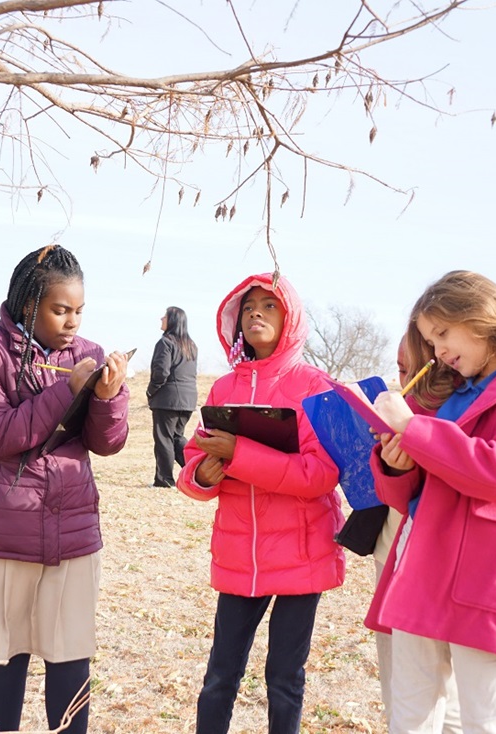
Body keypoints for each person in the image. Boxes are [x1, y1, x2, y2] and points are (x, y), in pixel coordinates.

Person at [367, 270, 496, 734]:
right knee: (410, 715)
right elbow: (414, 493)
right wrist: (398, 463)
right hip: (421, 560)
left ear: (481, 317)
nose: (437, 351)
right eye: (428, 340)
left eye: (442, 333)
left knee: (487, 719)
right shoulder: (448, 391)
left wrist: (414, 429)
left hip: (489, 571)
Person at [0, 244, 130, 734]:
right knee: (5, 658)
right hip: (4, 530)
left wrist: (109, 398)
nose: (72, 322)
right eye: (60, 309)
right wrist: (65, 391)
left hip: (72, 530)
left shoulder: (87, 355)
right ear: (29, 304)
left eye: (79, 311)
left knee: (71, 657)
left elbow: (106, 444)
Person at [177, 272, 343, 734]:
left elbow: (320, 475)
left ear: (290, 319)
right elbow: (190, 470)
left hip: (300, 555)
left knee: (284, 679)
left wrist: (239, 455)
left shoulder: (315, 386)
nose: (256, 313)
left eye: (270, 305)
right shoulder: (223, 390)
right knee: (219, 677)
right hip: (239, 557)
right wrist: (203, 474)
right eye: (248, 306)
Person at [371, 338, 461, 733]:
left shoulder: (463, 408)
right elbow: (393, 497)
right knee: (403, 691)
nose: (401, 378)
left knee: (452, 691)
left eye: (410, 369)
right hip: (392, 550)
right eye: (399, 368)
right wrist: (391, 467)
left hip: (449, 560)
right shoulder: (399, 411)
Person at [146, 306, 198, 487]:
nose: (161, 318)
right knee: (177, 437)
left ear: (173, 320)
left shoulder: (165, 343)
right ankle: (196, 471)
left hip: (167, 399)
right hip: (188, 399)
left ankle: (164, 480)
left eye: (165, 316)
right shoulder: (191, 345)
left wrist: (151, 390)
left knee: (164, 439)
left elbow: (161, 372)